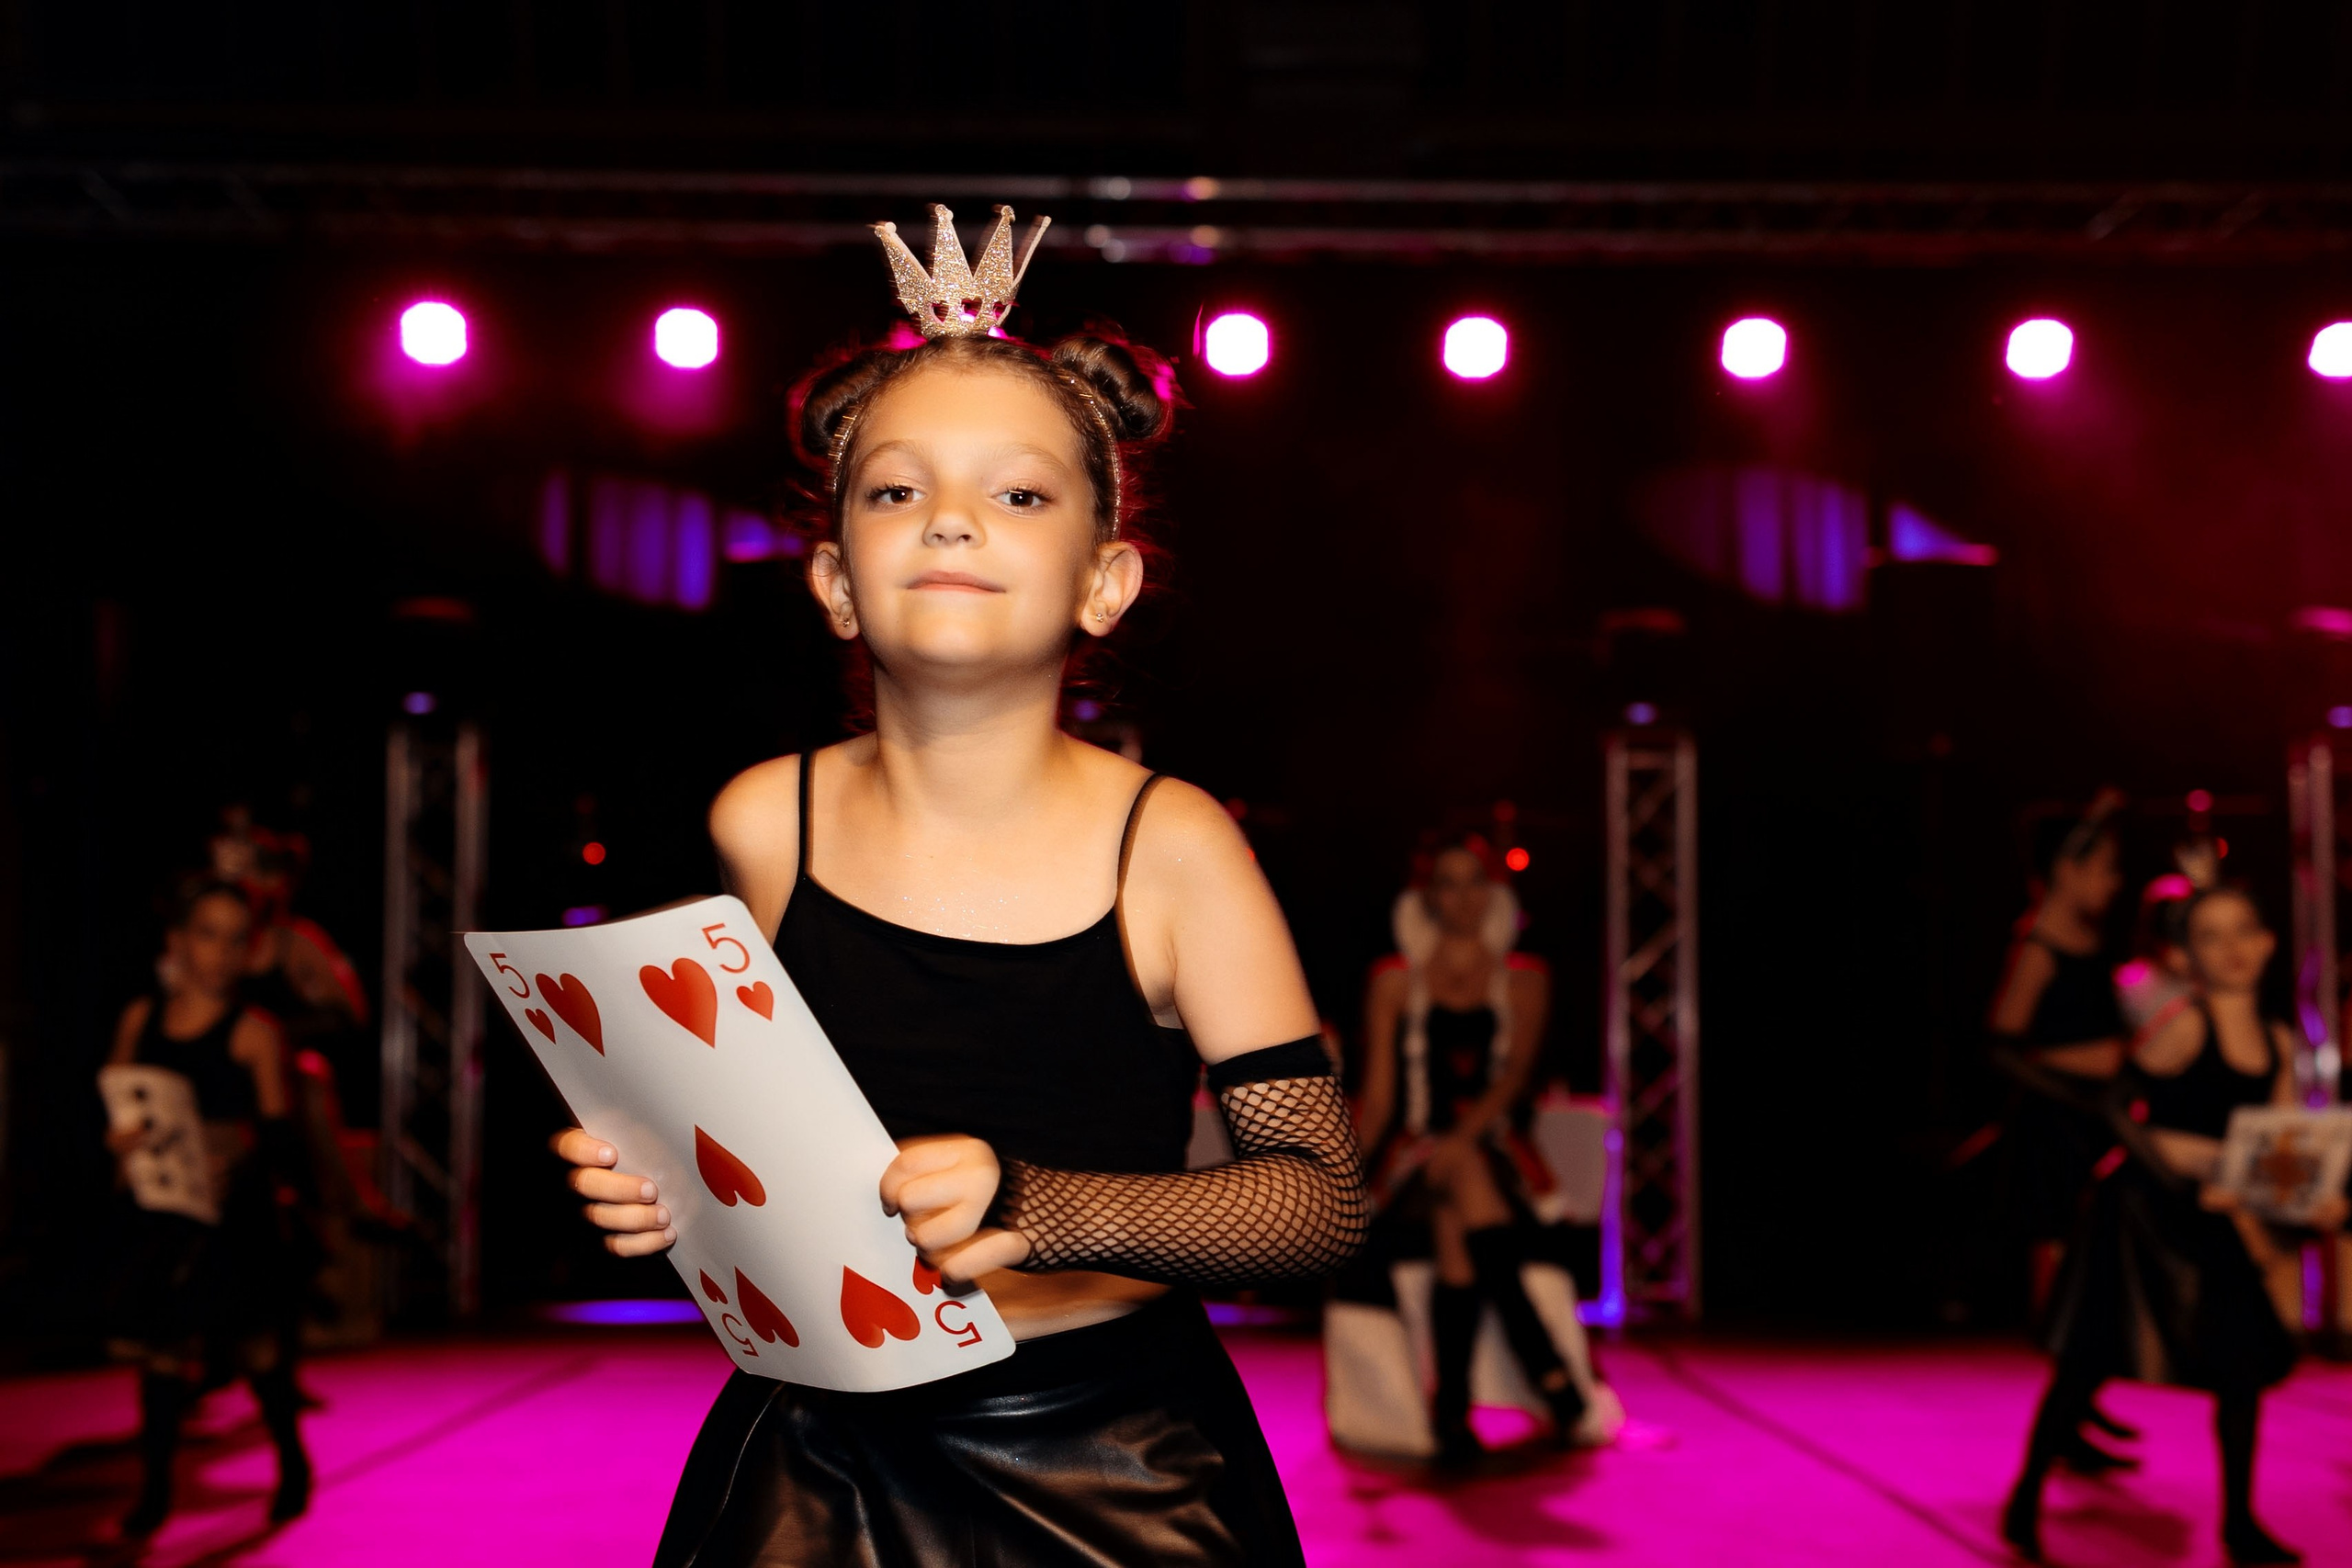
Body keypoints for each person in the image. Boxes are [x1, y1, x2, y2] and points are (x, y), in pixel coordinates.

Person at [551, 203, 1368, 1567]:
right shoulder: (768, 821)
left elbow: (1316, 1199)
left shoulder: (1173, 845)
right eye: (895, 489)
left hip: (1117, 1448)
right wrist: (664, 1172)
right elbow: (762, 1135)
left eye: (1020, 492)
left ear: (1104, 581)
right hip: (815, 1449)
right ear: (833, 579)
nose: (950, 519)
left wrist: (1039, 1205)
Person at [2002, 886, 2336, 1565]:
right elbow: (2119, 1103)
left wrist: (2300, 1199)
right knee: (2088, 1359)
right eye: (2213, 936)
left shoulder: (2275, 1037)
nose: (2233, 948)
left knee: (2241, 1366)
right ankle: (2025, 1496)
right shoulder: (2184, 1023)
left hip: (2212, 1214)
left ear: (2268, 941)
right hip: (2140, 1215)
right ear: (2187, 955)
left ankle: (2239, 1521)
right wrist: (2185, 1164)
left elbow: (2269, 1142)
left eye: (2243, 930)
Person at [1351, 833, 1586, 1461]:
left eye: (1473, 881)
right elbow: (1377, 1099)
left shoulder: (1525, 978)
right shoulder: (1394, 980)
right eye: (1448, 883)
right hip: (1415, 1159)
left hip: (1498, 1151)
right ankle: (1549, 1374)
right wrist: (1338, 1176)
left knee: (1463, 1203)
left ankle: (1451, 1408)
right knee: (1458, 1178)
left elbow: (1512, 1082)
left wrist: (1457, 1141)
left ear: (1493, 891)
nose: (1462, 896)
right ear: (1428, 896)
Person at [107, 878, 312, 1536]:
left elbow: (282, 1139)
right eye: (206, 934)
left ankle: (291, 1459)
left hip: (235, 1216)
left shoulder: (255, 1033)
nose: (219, 952)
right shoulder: (141, 1018)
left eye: (234, 939)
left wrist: (239, 1150)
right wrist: (120, 1142)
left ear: (248, 951)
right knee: (162, 1353)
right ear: (177, 941)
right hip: (165, 1211)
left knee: (257, 1352)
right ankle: (157, 1490)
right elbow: (118, 1103)